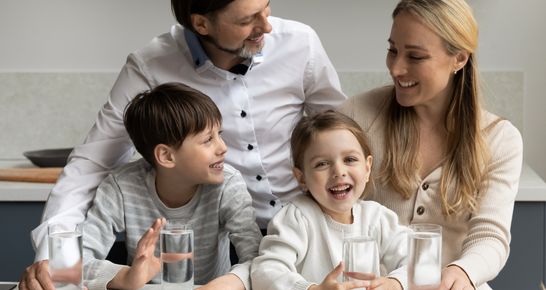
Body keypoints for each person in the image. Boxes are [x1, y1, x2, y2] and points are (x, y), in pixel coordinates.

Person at [21, 0, 345, 289]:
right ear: (201, 23)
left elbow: (340, 137)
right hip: (224, 246)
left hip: (303, 233)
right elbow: (92, 166)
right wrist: (56, 267)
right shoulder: (150, 66)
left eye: (267, 7)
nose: (267, 26)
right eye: (247, 19)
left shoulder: (301, 43)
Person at [337, 1, 523, 290]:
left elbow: (490, 236)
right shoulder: (355, 117)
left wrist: (462, 271)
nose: (396, 68)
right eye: (393, 50)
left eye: (416, 56)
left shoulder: (500, 139)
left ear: (459, 59)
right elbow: (324, 215)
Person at [80, 83, 262, 290]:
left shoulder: (228, 185)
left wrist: (230, 283)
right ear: (166, 156)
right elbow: (76, 261)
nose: (223, 147)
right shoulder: (122, 186)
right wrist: (128, 277)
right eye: (208, 140)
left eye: (219, 134)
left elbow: (258, 258)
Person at [251, 110, 410, 290]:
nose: (339, 171)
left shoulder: (377, 217)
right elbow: (265, 272)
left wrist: (396, 283)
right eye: (322, 164)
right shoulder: (296, 218)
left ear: (367, 169)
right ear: (302, 178)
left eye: (349, 159)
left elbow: (416, 260)